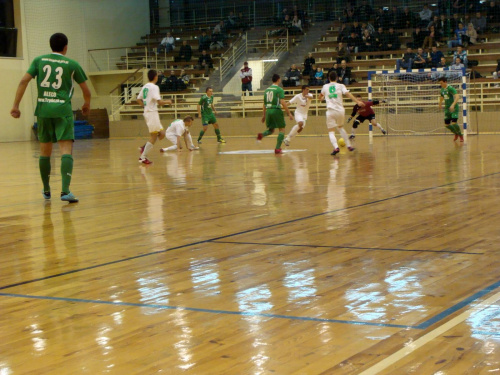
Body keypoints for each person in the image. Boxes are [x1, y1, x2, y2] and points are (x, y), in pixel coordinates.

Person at [10, 32, 91, 203]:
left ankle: (46, 190)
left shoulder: (39, 61)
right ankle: (65, 191)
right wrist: (86, 104)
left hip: (43, 111)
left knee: (45, 152)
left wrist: (16, 105)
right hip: (62, 111)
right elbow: (86, 90)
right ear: (66, 47)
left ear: (50, 45)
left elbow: (23, 81)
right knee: (65, 150)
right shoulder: (72, 64)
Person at [318, 70, 364, 155]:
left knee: (331, 131)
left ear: (328, 78)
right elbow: (348, 94)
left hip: (330, 111)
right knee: (340, 128)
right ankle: (349, 146)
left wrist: (322, 98)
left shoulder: (325, 86)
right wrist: (357, 102)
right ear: (336, 78)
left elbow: (320, 97)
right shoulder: (341, 85)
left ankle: (336, 147)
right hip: (340, 111)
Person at [137, 69, 173, 164]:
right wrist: (168, 102)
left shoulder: (145, 86)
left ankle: (144, 147)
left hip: (150, 112)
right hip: (151, 113)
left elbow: (138, 99)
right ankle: (143, 157)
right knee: (154, 136)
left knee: (162, 134)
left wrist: (145, 106)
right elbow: (160, 102)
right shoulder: (154, 87)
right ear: (155, 77)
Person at [256, 74, 294, 154]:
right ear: (278, 80)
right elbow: (282, 102)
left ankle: (261, 135)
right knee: (282, 129)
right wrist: (289, 113)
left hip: (268, 111)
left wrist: (264, 115)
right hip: (276, 110)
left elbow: (264, 104)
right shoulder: (279, 89)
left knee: (271, 130)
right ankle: (277, 148)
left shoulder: (267, 90)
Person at [438, 76, 463, 142]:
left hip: (454, 108)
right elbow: (441, 96)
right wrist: (440, 104)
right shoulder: (442, 90)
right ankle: (456, 133)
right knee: (447, 125)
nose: (441, 85)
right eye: (440, 84)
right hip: (447, 108)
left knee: (454, 123)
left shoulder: (450, 88)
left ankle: (460, 135)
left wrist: (453, 104)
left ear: (445, 82)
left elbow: (457, 97)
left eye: (441, 83)